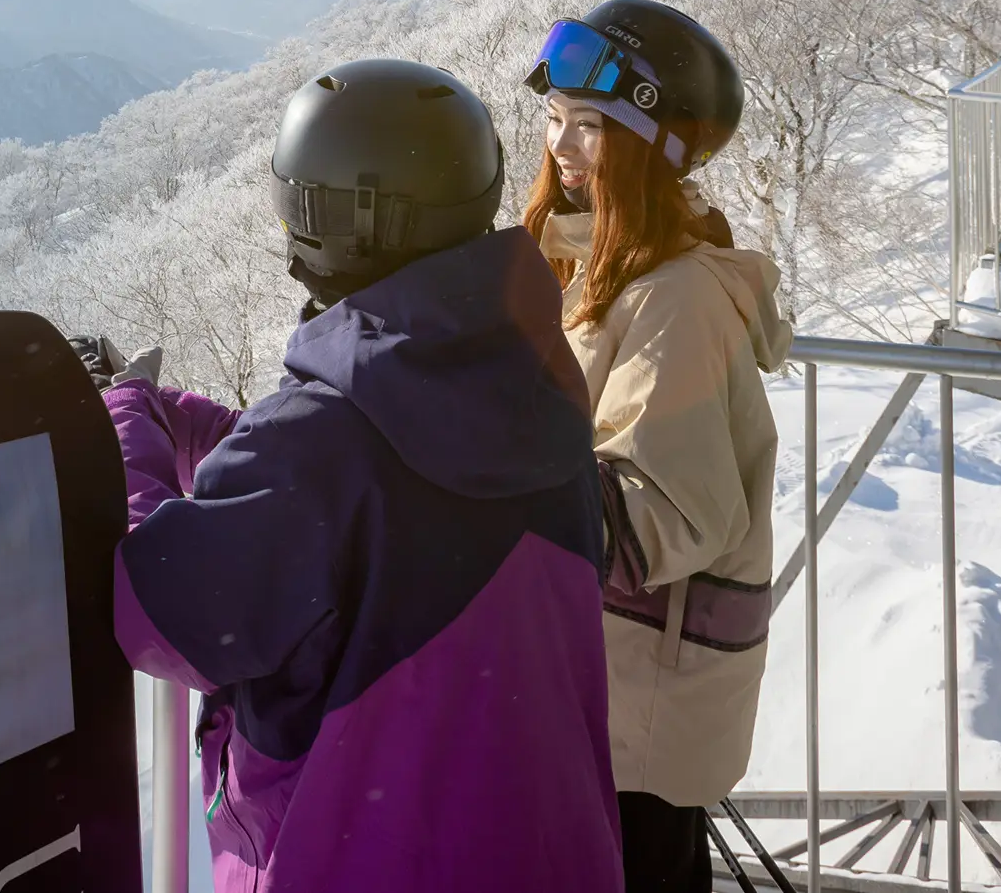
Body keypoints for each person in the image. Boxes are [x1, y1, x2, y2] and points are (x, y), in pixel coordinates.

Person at [86, 57, 622, 892]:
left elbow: (156, 607)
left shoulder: (318, 454)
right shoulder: (538, 390)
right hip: (540, 854)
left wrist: (122, 419)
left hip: (349, 859)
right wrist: (184, 420)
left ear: (319, 222)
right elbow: (392, 496)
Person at [521, 0, 792, 893]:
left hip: (637, 703)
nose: (561, 144)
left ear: (654, 146)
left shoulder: (675, 299)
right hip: (610, 684)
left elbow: (658, 517)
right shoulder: (598, 262)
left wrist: (479, 469)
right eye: (555, 117)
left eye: (591, 126)